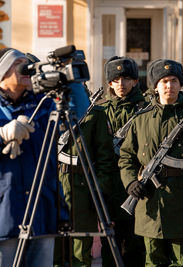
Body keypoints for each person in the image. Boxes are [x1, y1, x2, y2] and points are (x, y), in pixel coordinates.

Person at [118, 59, 183, 266]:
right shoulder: (141, 119)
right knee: (153, 260)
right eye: (164, 82)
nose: (169, 86)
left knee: (182, 261)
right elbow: (126, 157)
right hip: (149, 203)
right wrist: (130, 183)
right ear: (155, 86)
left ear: (180, 84)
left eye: (173, 81)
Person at [0, 48, 57, 266]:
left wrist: (70, 85)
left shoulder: (44, 104)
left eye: (27, 62)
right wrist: (2, 135)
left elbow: (76, 117)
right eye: (18, 63)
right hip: (5, 214)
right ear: (3, 73)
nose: (27, 67)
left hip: (41, 211)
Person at [55, 92, 115, 265]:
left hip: (83, 187)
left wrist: (100, 189)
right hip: (55, 185)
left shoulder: (94, 113)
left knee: (80, 251)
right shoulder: (48, 110)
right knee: (55, 249)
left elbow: (105, 157)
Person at [100, 56, 146, 266]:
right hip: (110, 187)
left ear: (135, 81)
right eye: (116, 80)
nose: (121, 84)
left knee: (137, 246)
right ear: (109, 82)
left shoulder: (146, 109)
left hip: (138, 185)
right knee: (111, 245)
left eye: (126, 79)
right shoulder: (101, 110)